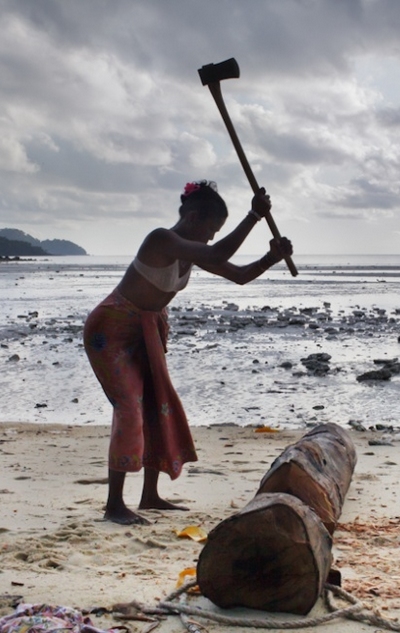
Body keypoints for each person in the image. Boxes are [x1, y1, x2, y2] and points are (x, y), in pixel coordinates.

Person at [83, 180, 293, 525]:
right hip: (112, 329)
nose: (210, 239)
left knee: (155, 405)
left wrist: (271, 257)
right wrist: (254, 216)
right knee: (129, 407)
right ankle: (114, 505)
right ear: (194, 218)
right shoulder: (161, 240)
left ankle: (149, 496)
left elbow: (238, 275)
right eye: (211, 230)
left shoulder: (189, 251)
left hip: (147, 327)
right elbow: (216, 254)